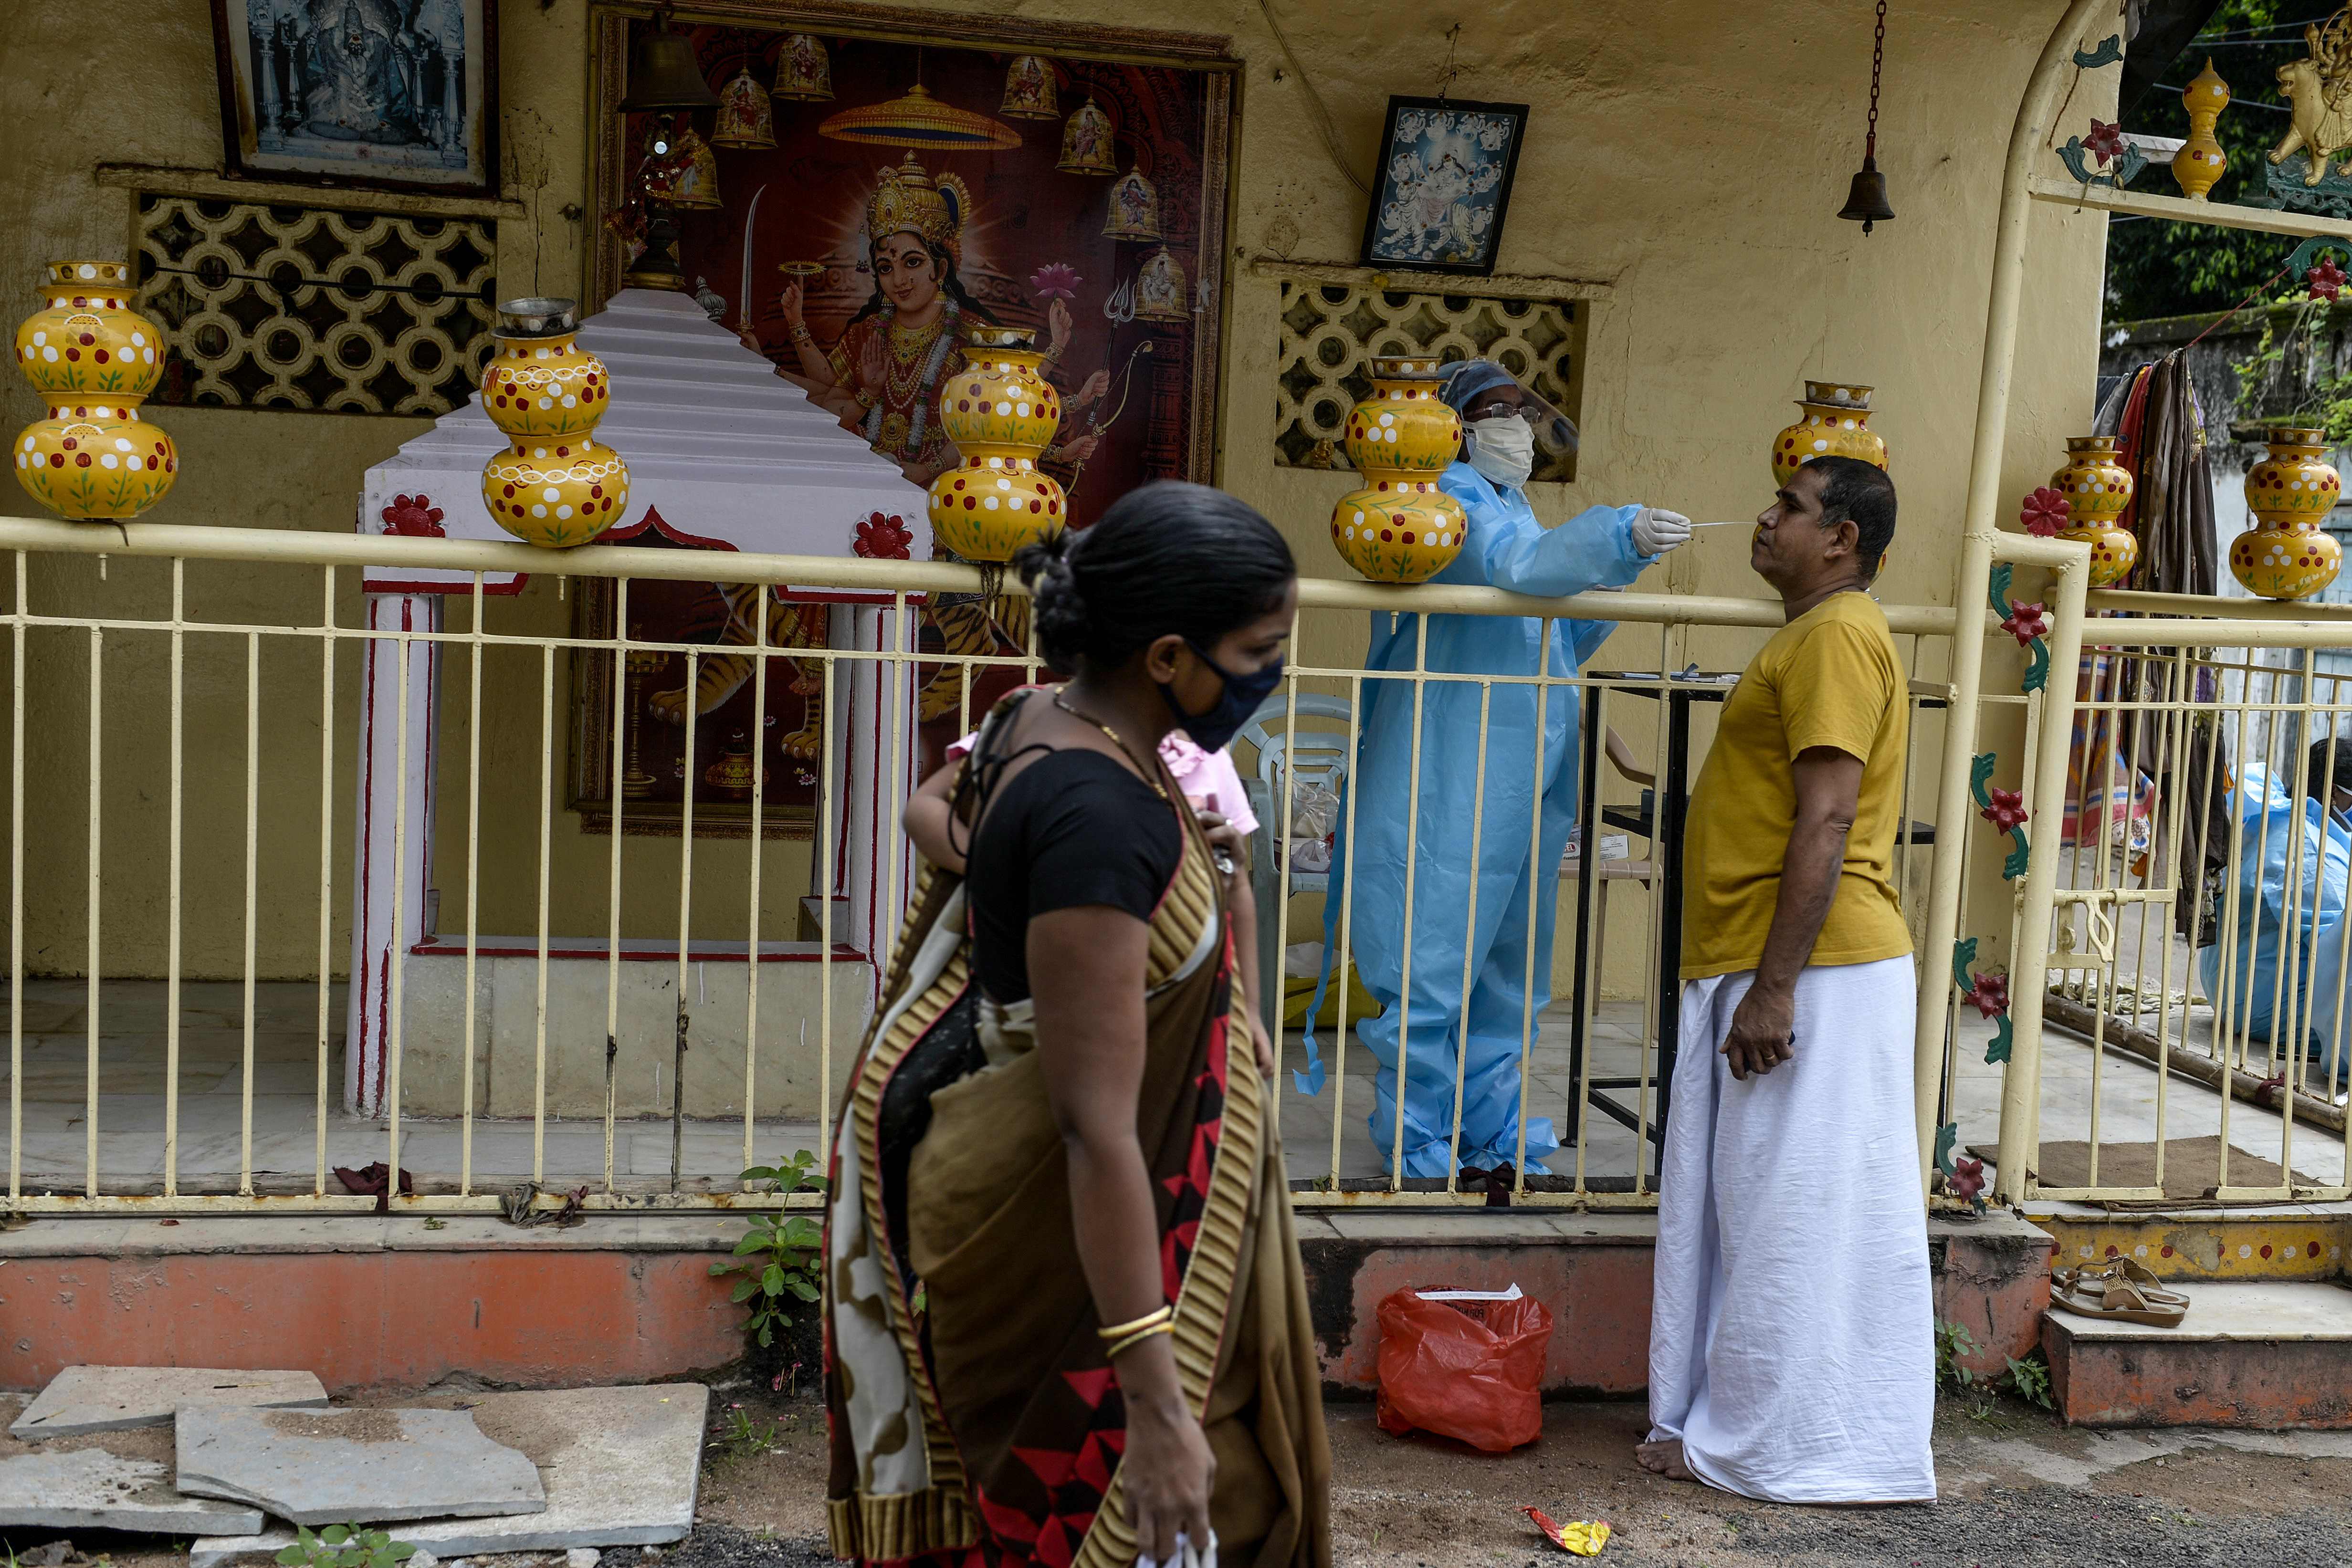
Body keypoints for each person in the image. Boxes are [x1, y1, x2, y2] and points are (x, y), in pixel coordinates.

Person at [825, 482, 1331, 1568]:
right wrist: (1153, 1401)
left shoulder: (1039, 721)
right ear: (1164, 656)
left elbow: (969, 852)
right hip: (1057, 1242)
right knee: (1128, 1512)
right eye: (1258, 648)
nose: (1269, 673)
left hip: (1026, 1193)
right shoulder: (1100, 817)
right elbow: (1093, 1126)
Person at [1314, 358, 1690, 1179]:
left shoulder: (1510, 503)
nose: (1514, 426)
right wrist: (1614, 534)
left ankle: (1488, 1128)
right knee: (1432, 950)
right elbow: (1517, 572)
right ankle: (1416, 1139)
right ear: (1452, 426)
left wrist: (1613, 569)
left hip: (1526, 757)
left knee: (1508, 961)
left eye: (1520, 410)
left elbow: (1556, 629)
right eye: (1493, 411)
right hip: (1451, 757)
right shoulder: (1440, 503)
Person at [1639, 455, 1933, 1504]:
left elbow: (1827, 818)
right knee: (1764, 1207)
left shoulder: (1837, 636)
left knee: (1794, 1215)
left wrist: (1774, 988)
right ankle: (1755, 1428)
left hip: (1817, 968)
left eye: (1790, 509)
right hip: (1789, 961)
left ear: (1843, 538)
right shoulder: (1817, 634)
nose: (1765, 521)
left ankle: (1791, 1444)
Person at [906, 720, 1273, 1079]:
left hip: (1173, 998)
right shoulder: (1033, 722)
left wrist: (1250, 1011)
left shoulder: (1204, 759)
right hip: (1034, 988)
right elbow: (924, 808)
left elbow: (1236, 887)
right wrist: (1000, 870)